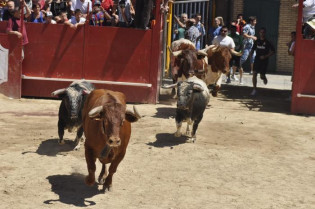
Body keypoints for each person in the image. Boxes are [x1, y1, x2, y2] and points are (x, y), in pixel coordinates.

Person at [249, 27, 275, 96]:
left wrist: (265, 56)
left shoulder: (268, 42)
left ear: (265, 33)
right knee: (254, 73)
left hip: (264, 61)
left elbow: (273, 51)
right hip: (257, 59)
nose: (262, 34)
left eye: (263, 32)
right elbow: (253, 49)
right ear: (259, 33)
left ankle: (264, 77)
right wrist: (251, 54)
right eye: (261, 32)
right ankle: (254, 89)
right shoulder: (257, 41)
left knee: (261, 76)